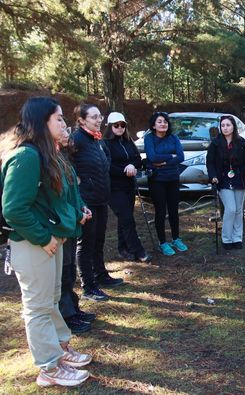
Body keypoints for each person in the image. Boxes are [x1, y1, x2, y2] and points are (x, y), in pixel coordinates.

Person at [1, 97, 92, 387]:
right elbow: (14, 208)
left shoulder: (49, 155)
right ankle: (49, 368)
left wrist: (75, 214)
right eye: (59, 119)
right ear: (42, 123)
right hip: (32, 244)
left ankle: (60, 349)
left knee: (51, 300)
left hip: (49, 242)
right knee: (38, 307)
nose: (64, 124)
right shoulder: (26, 157)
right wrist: (43, 238)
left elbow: (56, 198)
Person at [71, 104, 123, 302]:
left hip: (102, 197)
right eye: (94, 117)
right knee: (86, 243)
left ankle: (101, 275)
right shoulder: (77, 139)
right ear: (82, 120)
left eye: (99, 116)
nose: (98, 120)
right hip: (87, 200)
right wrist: (80, 185)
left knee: (99, 239)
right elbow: (68, 164)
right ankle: (88, 286)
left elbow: (105, 159)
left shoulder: (97, 139)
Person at [56, 128, 96, 334]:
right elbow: (56, 199)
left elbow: (73, 191)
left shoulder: (64, 157)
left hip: (72, 224)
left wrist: (81, 206)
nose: (66, 132)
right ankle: (66, 315)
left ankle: (73, 309)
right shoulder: (47, 159)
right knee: (63, 273)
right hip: (62, 225)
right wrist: (76, 214)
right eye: (61, 125)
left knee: (69, 270)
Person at [103, 112, 151, 262]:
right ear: (110, 126)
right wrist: (125, 170)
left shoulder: (128, 142)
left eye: (122, 125)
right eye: (116, 125)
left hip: (129, 186)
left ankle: (123, 248)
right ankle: (138, 250)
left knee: (124, 218)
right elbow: (107, 165)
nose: (120, 128)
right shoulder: (104, 143)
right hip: (114, 188)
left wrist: (132, 165)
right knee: (127, 218)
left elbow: (137, 159)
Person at [206, 115, 245, 250]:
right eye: (223, 125)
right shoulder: (215, 143)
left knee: (238, 210)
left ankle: (237, 238)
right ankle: (226, 238)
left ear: (233, 126)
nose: (225, 128)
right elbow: (210, 162)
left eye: (228, 125)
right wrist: (213, 176)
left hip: (240, 178)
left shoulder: (241, 142)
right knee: (231, 208)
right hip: (222, 179)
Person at [144, 111, 187, 256]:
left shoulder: (173, 138)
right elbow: (152, 156)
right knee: (160, 211)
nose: (163, 124)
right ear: (154, 125)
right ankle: (163, 242)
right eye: (160, 122)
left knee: (174, 210)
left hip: (173, 178)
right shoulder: (149, 138)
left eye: (165, 122)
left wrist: (161, 162)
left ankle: (176, 238)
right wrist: (170, 156)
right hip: (157, 181)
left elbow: (181, 157)